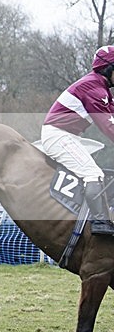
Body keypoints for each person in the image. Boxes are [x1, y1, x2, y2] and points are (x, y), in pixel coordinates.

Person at [41, 45, 114, 235]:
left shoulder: (100, 87)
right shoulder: (94, 88)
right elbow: (109, 127)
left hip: (67, 135)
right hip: (58, 135)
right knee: (93, 174)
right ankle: (99, 223)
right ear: (109, 69)